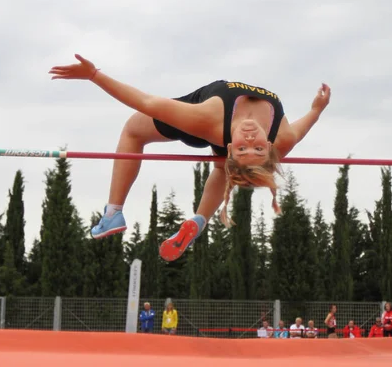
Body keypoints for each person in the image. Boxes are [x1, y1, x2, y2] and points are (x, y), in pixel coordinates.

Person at [49, 55, 331, 261]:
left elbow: (146, 103)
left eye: (243, 150)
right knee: (223, 169)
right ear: (269, 147)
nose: (248, 141)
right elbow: (305, 123)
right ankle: (199, 220)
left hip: (201, 124)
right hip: (221, 133)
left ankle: (113, 213)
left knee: (134, 130)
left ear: (231, 148)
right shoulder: (283, 139)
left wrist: (94, 75)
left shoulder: (206, 120)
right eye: (257, 149)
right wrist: (317, 109)